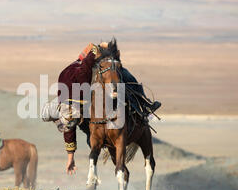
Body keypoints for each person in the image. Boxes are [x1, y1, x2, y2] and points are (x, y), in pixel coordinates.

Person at [42, 39, 161, 175]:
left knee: (124, 76)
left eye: (71, 118)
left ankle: (145, 106)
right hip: (83, 80)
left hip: (95, 59)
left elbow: (86, 65)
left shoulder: (78, 83)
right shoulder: (67, 110)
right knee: (88, 132)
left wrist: (99, 48)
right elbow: (69, 130)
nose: (71, 121)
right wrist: (71, 158)